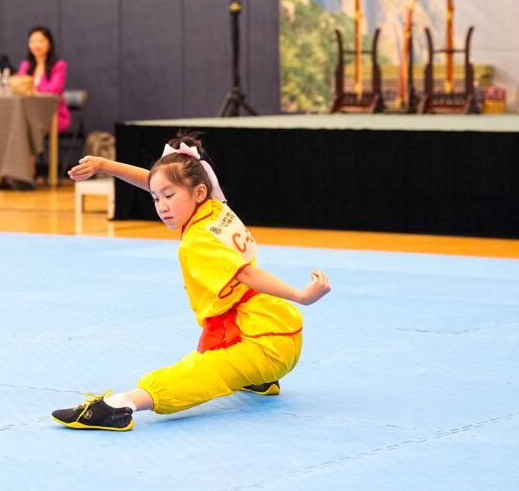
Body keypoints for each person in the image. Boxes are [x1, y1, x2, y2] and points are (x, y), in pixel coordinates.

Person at [52, 135, 332, 431]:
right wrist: (104, 165)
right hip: (277, 327)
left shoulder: (197, 242)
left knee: (198, 373)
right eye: (156, 198)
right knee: (214, 356)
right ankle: (257, 378)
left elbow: (247, 275)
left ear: (198, 192)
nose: (161, 206)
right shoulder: (215, 205)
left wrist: (301, 295)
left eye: (169, 197)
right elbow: (157, 181)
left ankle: (120, 405)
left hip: (263, 345)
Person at [16, 25, 69, 133]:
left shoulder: (59, 66)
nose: (36, 45)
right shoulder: (25, 66)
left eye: (40, 41)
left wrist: (32, 89)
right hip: (29, 112)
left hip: (52, 113)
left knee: (26, 125)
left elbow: (54, 90)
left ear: (49, 43)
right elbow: (19, 87)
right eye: (32, 41)